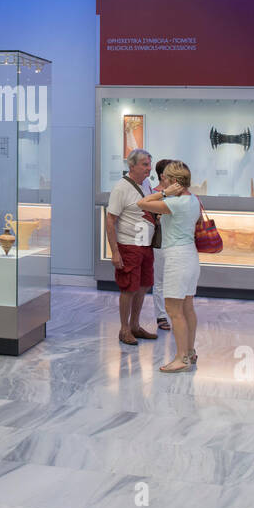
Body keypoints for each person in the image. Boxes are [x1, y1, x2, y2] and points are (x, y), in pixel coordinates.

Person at [138, 160, 200, 372]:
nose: (161, 181)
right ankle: (190, 353)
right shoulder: (193, 200)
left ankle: (181, 358)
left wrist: (164, 193)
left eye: (164, 178)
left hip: (177, 258)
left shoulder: (174, 203)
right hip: (191, 256)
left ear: (173, 181)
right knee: (187, 308)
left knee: (174, 311)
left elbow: (142, 203)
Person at [106, 148, 158, 345]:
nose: (149, 168)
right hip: (129, 246)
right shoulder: (121, 188)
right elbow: (110, 220)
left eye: (149, 164)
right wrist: (115, 252)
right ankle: (124, 329)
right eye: (145, 164)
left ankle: (135, 326)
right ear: (132, 165)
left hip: (146, 245)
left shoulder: (147, 183)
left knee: (144, 286)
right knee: (128, 288)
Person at [151, 159, 173, 332]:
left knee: (173, 280)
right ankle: (161, 315)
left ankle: (172, 312)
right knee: (159, 280)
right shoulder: (153, 193)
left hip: (175, 243)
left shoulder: (178, 194)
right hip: (159, 242)